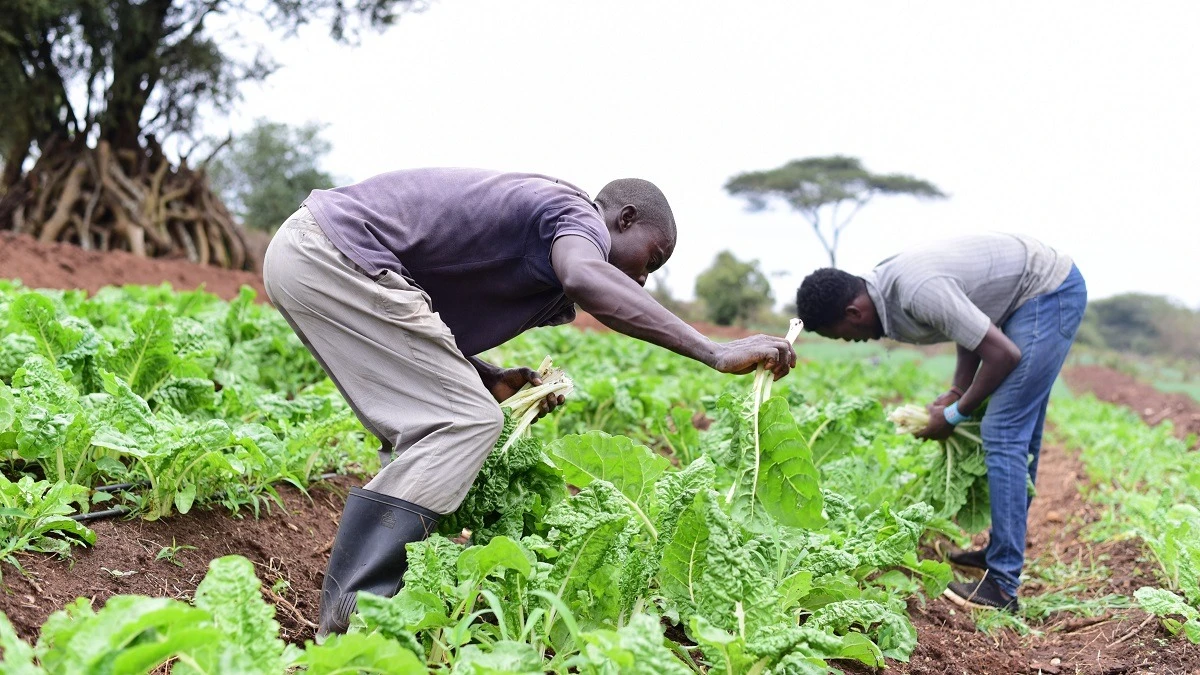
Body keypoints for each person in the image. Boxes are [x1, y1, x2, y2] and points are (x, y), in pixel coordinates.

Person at [261, 167, 798, 636]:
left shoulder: (545, 249)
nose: (640, 277)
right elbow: (586, 276)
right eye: (649, 261)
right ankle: (359, 613)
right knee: (467, 422)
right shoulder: (575, 214)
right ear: (623, 218)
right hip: (332, 252)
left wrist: (488, 375)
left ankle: (378, 604)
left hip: (314, 252)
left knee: (449, 416)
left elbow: (426, 327)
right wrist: (712, 350)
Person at [793, 233, 1086, 611]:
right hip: (1019, 302)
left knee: (1003, 432)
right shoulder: (885, 289)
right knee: (1015, 433)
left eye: (845, 336)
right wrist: (956, 389)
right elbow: (969, 324)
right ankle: (1001, 551)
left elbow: (1002, 354)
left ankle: (1002, 586)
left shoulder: (916, 290)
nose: (853, 342)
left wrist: (953, 414)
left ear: (853, 314)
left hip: (1047, 292)